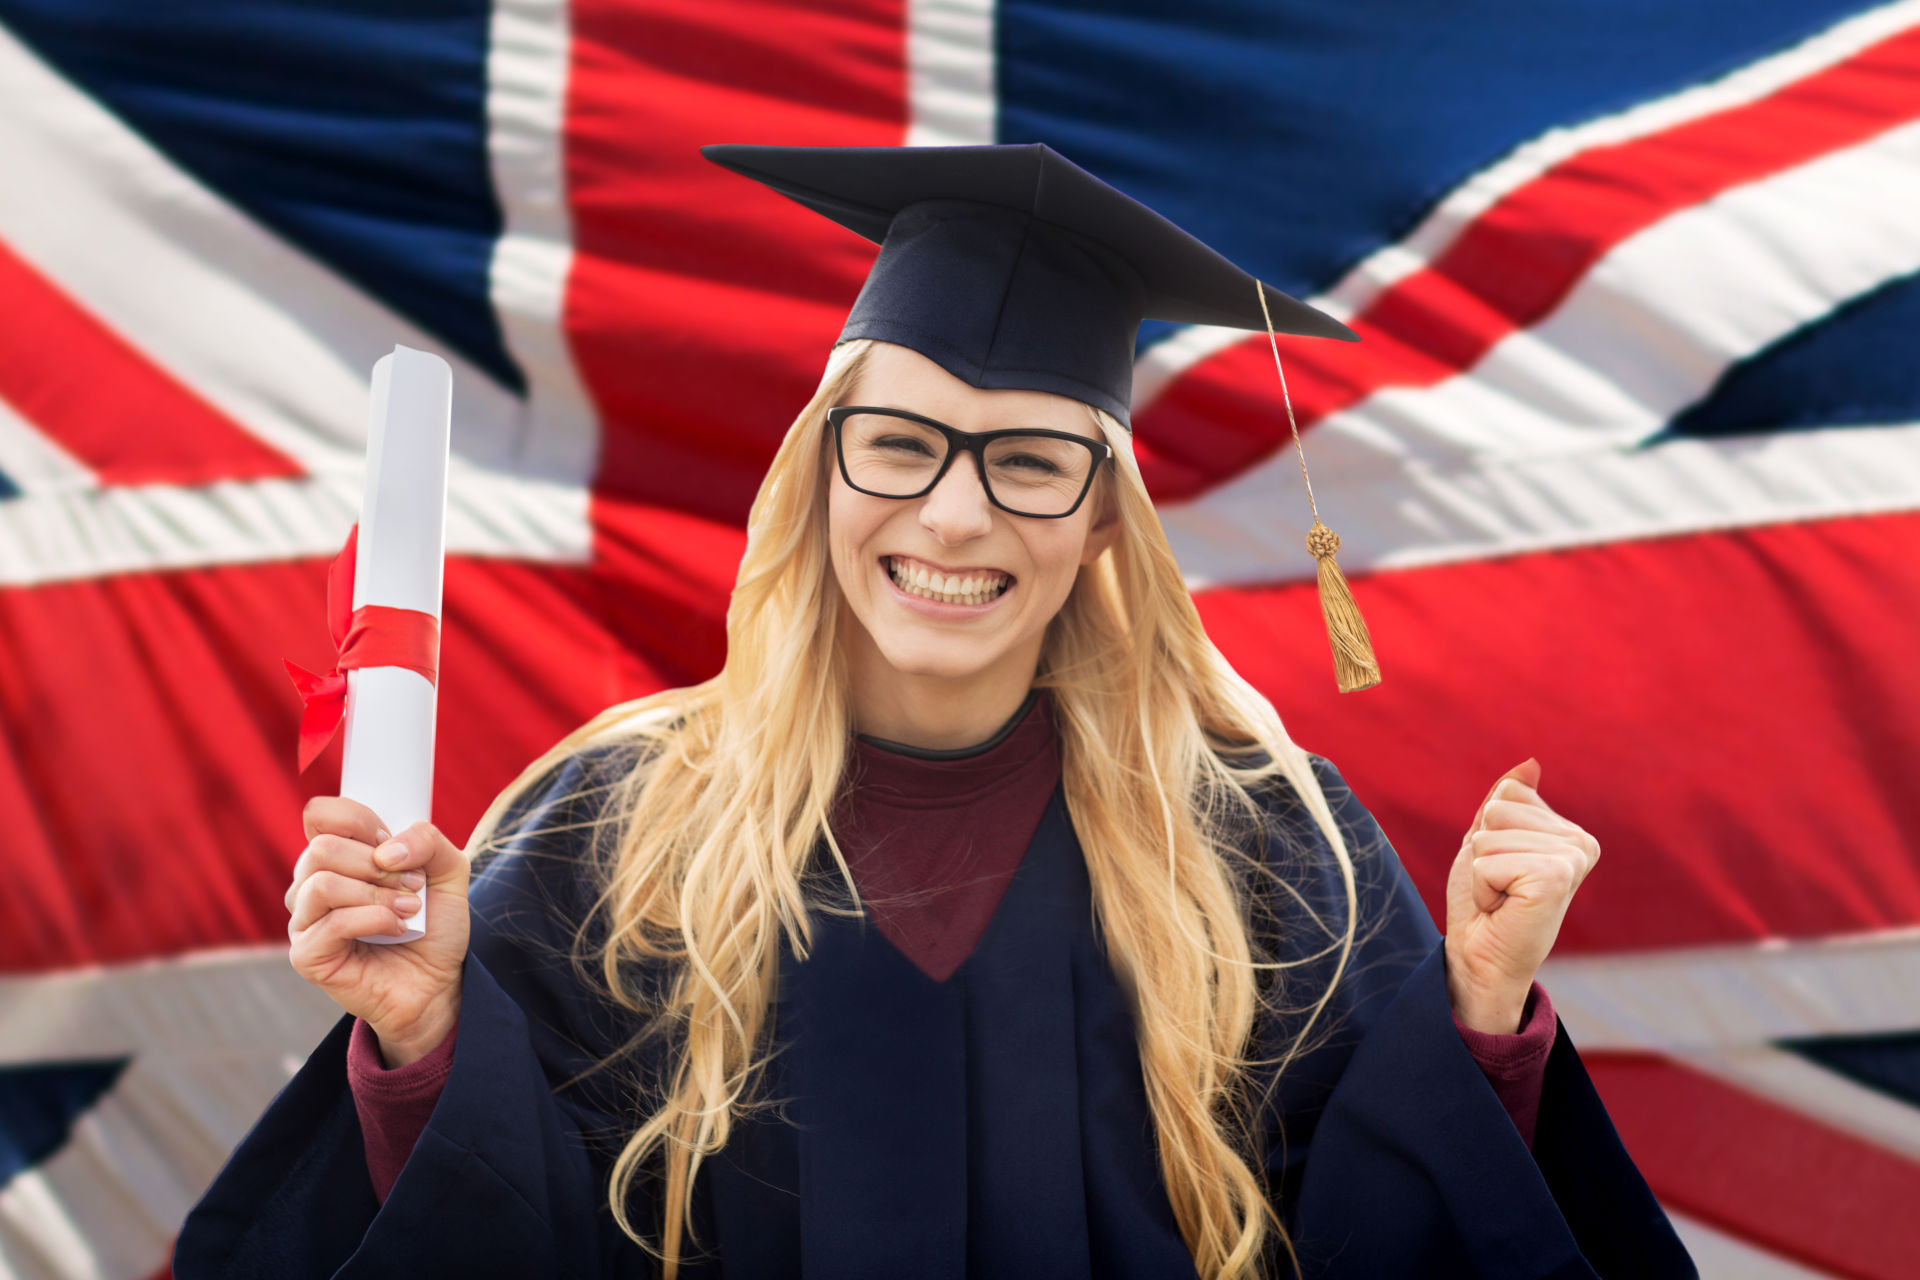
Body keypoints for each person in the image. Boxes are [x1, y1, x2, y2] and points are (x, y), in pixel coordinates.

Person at [175, 143, 1696, 1279]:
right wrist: (429, 1037)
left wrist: (1484, 1015)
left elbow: (1383, 1233)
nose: (957, 518)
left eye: (1030, 461)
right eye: (900, 445)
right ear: (819, 470)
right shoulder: (615, 832)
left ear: (1104, 520)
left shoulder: (1267, 845)